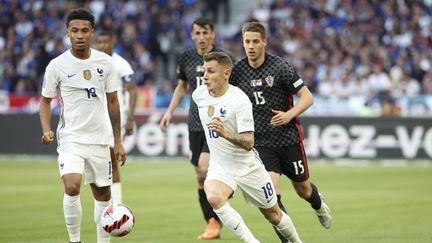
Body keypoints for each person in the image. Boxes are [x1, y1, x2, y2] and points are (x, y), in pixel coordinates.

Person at [230, 22, 332, 242]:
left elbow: (307, 97)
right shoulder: (237, 71)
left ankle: (318, 204)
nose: (251, 46)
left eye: (256, 41)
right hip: (261, 143)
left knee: (303, 190)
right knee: (272, 196)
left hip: (288, 138)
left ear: (264, 42)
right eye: (247, 41)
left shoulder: (279, 67)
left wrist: (289, 115)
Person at [192, 51, 302, 243]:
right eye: (204, 71)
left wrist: (225, 133)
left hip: (247, 166)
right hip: (221, 167)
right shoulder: (199, 95)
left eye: (211, 71)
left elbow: (249, 143)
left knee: (274, 215)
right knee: (215, 198)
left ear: (226, 73)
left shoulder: (239, 100)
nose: (205, 76)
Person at [39, 8, 126, 243]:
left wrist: (117, 141)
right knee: (72, 186)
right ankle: (75, 240)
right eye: (75, 30)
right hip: (71, 138)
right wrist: (46, 129)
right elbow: (45, 101)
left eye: (84, 30)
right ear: (67, 32)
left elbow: (113, 103)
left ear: (92, 33)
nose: (79, 35)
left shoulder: (106, 63)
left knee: (103, 194)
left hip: (98, 139)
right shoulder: (56, 65)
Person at [159, 17, 227, 240]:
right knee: (200, 176)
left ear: (212, 35)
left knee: (204, 167)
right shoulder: (186, 57)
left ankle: (216, 218)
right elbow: (181, 87)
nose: (201, 37)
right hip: (195, 124)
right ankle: (212, 222)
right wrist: (169, 111)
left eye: (205, 33)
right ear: (192, 35)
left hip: (217, 122)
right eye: (197, 33)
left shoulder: (223, 59)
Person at [96, 30, 137, 205]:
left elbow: (132, 90)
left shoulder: (121, 64)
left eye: (107, 42)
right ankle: (108, 201)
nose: (103, 46)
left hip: (114, 116)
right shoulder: (93, 62)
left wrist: (130, 117)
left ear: (113, 41)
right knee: (101, 162)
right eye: (100, 42)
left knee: (111, 159)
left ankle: (117, 204)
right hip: (97, 116)